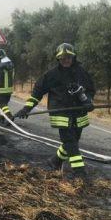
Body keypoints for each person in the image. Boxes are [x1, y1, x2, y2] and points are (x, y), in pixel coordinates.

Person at [16, 43, 95, 177]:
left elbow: (91, 90)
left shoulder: (81, 72)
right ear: (58, 59)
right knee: (70, 142)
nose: (65, 60)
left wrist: (88, 101)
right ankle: (79, 172)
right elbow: (37, 93)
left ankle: (55, 161)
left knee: (73, 140)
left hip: (79, 113)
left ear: (73, 57)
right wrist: (26, 108)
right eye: (62, 58)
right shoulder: (52, 75)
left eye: (68, 57)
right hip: (61, 114)